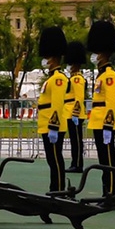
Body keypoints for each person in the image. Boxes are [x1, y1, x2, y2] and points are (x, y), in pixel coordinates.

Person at [86, 20, 115, 198]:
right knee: (103, 161)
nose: (94, 55)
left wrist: (108, 125)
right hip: (97, 122)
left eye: (97, 52)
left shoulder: (109, 76)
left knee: (108, 161)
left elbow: (111, 103)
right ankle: (106, 192)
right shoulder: (102, 75)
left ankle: (111, 195)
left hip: (104, 123)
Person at [37, 26, 69, 193]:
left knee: (55, 160)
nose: (45, 59)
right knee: (52, 160)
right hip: (47, 125)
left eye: (48, 56)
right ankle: (55, 187)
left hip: (52, 125)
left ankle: (58, 189)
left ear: (54, 57)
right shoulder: (51, 78)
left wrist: (54, 127)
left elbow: (56, 105)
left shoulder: (58, 79)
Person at [64, 40, 88, 173]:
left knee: (77, 141)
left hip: (75, 114)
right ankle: (75, 162)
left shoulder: (77, 79)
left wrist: (75, 113)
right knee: (74, 141)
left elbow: (79, 98)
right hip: (69, 112)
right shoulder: (73, 78)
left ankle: (78, 164)